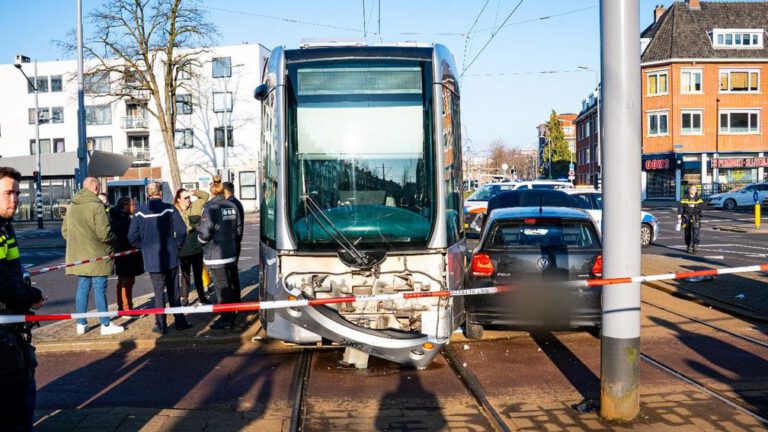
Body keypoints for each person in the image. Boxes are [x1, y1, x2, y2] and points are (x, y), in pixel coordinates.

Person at [0, 167, 47, 431]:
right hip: (4, 335)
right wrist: (33, 295)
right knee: (15, 407)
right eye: (8, 193)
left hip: (11, 331)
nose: (15, 199)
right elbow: (2, 281)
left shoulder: (5, 226)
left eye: (17, 193)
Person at [62, 177, 124, 336]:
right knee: (99, 289)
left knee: (82, 287)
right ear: (96, 187)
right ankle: (105, 324)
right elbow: (104, 234)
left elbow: (65, 232)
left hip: (79, 255)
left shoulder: (72, 206)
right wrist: (114, 239)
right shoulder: (97, 206)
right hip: (98, 254)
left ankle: (81, 323)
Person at [128, 182, 191, 334]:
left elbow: (131, 236)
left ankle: (161, 325)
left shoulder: (139, 211)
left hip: (152, 258)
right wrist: (177, 245)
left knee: (158, 292)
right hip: (170, 255)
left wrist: (142, 248)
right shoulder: (170, 208)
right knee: (173, 291)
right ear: (160, 193)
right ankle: (179, 321)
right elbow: (182, 230)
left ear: (147, 194)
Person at [199, 176, 241, 330]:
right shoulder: (232, 205)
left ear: (212, 192)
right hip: (230, 252)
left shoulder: (211, 207)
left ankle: (226, 319)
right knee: (229, 284)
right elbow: (238, 229)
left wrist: (200, 240)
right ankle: (232, 313)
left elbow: (205, 233)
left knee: (221, 287)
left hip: (215, 255)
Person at [174, 188, 211, 306]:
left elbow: (206, 196)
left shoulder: (194, 206)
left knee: (198, 274)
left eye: (188, 197)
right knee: (184, 275)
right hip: (183, 248)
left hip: (196, 247)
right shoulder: (175, 210)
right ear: (178, 199)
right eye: (185, 198)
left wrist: (193, 192)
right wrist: (194, 227)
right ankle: (184, 297)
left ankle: (202, 297)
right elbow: (182, 228)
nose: (188, 200)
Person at [110, 197, 144, 312]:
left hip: (123, 253)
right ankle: (126, 308)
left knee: (122, 280)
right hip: (126, 254)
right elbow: (129, 237)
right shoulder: (123, 220)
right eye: (133, 205)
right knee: (127, 281)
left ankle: (122, 306)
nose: (135, 207)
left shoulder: (121, 218)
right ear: (125, 206)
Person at [678, 185, 704, 254]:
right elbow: (680, 206)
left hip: (696, 217)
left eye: (694, 189)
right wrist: (679, 214)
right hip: (686, 216)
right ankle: (688, 245)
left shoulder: (699, 198)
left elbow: (701, 207)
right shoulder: (684, 198)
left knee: (696, 232)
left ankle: (695, 246)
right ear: (689, 190)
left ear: (696, 191)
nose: (693, 190)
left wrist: (694, 206)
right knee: (687, 232)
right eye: (692, 189)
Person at [223, 182, 245, 259]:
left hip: (230, 242)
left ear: (225, 191)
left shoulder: (228, 204)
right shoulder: (237, 202)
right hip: (236, 240)